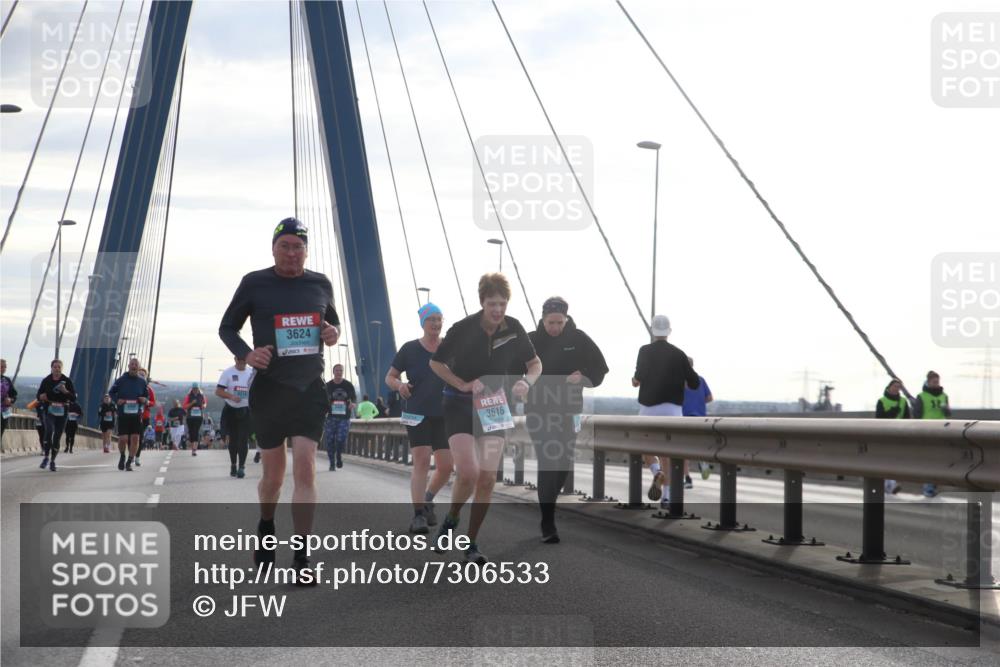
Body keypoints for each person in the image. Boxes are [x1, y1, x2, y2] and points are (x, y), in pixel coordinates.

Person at [218, 216, 340, 582]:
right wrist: (248, 353)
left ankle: (302, 557)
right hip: (270, 389)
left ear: (306, 250)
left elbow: (329, 325)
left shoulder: (320, 283)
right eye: (284, 246)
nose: (291, 252)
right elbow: (227, 327)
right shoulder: (255, 283)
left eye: (297, 246)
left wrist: (332, 333)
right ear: (273, 249)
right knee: (273, 476)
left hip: (309, 389)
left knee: (305, 468)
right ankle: (267, 524)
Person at [429, 273, 542, 564]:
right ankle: (451, 520)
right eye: (492, 303)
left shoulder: (514, 328)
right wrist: (462, 384)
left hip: (493, 407)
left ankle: (472, 543)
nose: (498, 310)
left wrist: (526, 383)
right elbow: (436, 363)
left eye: (502, 304)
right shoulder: (463, 329)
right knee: (468, 473)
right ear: (482, 302)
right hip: (459, 405)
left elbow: (535, 364)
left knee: (488, 478)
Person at [524, 297, 607, 544]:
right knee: (548, 461)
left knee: (563, 462)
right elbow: (509, 368)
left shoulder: (579, 339)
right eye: (551, 322)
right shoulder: (531, 340)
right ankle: (548, 522)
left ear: (566, 319)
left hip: (570, 411)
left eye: (560, 322)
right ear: (543, 319)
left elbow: (600, 371)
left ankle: (549, 507)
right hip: (538, 411)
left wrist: (583, 376)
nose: (555, 327)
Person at [386, 302, 454, 534]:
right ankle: (418, 516)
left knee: (446, 466)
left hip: (445, 413)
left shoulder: (450, 347)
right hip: (416, 412)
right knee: (422, 461)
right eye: (430, 319)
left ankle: (427, 499)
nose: (435, 323)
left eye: (438, 319)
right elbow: (390, 377)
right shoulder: (410, 349)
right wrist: (399, 385)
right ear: (422, 323)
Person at [632, 315, 699, 506]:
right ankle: (668, 496)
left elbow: (638, 378)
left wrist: (636, 381)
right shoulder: (679, 354)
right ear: (669, 331)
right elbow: (694, 383)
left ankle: (657, 473)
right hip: (673, 411)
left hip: (648, 409)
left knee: (643, 447)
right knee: (667, 454)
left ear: (653, 331)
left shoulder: (644, 351)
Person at [913, 371, 951, 498]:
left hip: (941, 432)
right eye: (934, 382)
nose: (936, 384)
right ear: (928, 382)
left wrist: (947, 410)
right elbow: (917, 415)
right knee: (929, 461)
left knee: (939, 461)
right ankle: (928, 487)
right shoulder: (922, 396)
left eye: (937, 382)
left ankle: (933, 486)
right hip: (927, 432)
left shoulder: (944, 396)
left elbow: (948, 414)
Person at [217, 354, 255, 478]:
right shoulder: (228, 373)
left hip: (245, 410)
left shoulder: (251, 373)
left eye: (244, 360)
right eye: (239, 360)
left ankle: (242, 467)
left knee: (243, 440)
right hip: (231, 409)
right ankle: (233, 464)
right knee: (233, 441)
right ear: (235, 359)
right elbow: (218, 391)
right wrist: (231, 396)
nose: (242, 362)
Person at [36, 359, 77, 472]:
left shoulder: (67, 381)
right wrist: (41, 397)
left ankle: (53, 461)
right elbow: (38, 394)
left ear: (62, 368)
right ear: (51, 368)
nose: (57, 369)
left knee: (57, 436)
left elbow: (74, 398)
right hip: (49, 410)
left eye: (59, 367)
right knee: (49, 430)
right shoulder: (46, 380)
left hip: (62, 411)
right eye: (55, 367)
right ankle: (46, 457)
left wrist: (65, 392)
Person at [109, 357, 149, 471]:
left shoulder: (142, 381)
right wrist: (117, 400)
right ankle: (122, 456)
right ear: (128, 366)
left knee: (135, 438)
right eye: (132, 364)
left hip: (136, 415)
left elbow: (147, 397)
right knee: (123, 439)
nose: (134, 366)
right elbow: (111, 392)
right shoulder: (121, 380)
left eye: (136, 364)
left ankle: (129, 461)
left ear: (138, 367)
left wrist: (144, 399)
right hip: (123, 414)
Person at [682, 357, 714, 485]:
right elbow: (710, 398)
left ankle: (688, 478)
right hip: (700, 418)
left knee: (684, 450)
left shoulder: (680, 381)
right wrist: (699, 403)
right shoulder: (700, 380)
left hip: (684, 418)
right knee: (698, 445)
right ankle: (702, 461)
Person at [875, 378, 910, 494]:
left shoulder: (903, 401)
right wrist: (891, 412)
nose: (896, 389)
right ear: (889, 387)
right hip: (884, 434)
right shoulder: (882, 401)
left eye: (898, 387)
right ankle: (889, 484)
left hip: (898, 434)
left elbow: (907, 418)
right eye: (895, 386)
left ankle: (890, 484)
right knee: (886, 459)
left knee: (895, 460)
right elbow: (879, 418)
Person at [323, 363, 356, 471]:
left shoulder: (348, 385)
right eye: (337, 370)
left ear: (343, 372)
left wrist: (353, 404)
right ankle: (332, 463)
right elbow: (322, 400)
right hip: (331, 417)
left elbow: (354, 398)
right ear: (333, 372)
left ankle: (339, 455)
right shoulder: (327, 386)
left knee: (341, 439)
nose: (339, 372)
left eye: (341, 370)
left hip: (344, 417)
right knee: (329, 441)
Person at [134, 368, 156, 466]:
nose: (141, 376)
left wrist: (146, 402)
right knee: (132, 437)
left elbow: (153, 402)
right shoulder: (132, 386)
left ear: (146, 377)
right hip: (132, 414)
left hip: (144, 416)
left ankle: (137, 457)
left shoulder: (149, 389)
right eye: (140, 374)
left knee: (140, 437)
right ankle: (131, 454)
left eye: (143, 375)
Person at [183, 384, 207, 457]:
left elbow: (205, 403)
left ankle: (194, 449)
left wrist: (204, 406)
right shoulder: (188, 396)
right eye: (194, 389)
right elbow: (184, 406)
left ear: (198, 389)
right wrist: (192, 403)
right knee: (191, 432)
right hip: (190, 417)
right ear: (192, 389)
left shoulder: (202, 395)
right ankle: (192, 444)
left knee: (196, 431)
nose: (195, 390)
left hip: (198, 417)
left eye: (196, 389)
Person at [1, 358, 16, 441]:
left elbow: (14, 394)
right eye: (1, 366)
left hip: (4, 411)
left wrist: (10, 399)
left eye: (5, 367)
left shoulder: (7, 380)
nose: (3, 369)